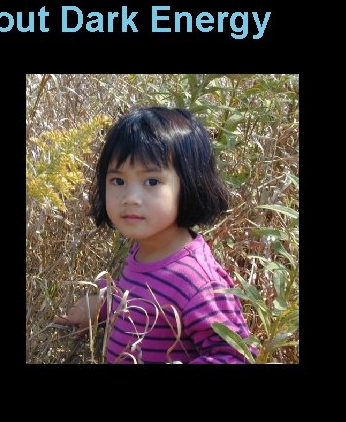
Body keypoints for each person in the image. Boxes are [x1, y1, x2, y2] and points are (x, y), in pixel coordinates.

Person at [56, 106, 256, 363]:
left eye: (151, 181)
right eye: (118, 181)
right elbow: (142, 301)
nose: (130, 198)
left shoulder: (196, 280)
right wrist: (103, 305)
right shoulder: (147, 250)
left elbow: (236, 356)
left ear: (190, 185)